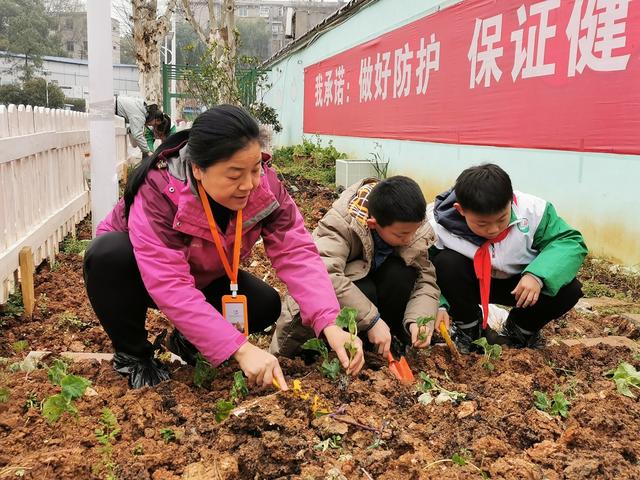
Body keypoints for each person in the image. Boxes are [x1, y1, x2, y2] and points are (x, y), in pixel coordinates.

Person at [84, 105, 364, 389]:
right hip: (139, 276)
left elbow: (296, 251)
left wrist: (329, 321)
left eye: (255, 169)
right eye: (234, 175)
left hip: (206, 274)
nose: (249, 184)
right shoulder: (159, 190)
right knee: (107, 254)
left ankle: (190, 341)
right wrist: (239, 348)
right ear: (197, 169)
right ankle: (134, 356)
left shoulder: (265, 186)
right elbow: (169, 282)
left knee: (264, 305)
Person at [271, 176, 447, 359]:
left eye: (413, 232)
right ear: (373, 224)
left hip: (373, 301)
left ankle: (386, 344)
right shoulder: (342, 223)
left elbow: (425, 279)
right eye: (402, 235)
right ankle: (347, 348)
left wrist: (417, 320)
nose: (409, 239)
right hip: (336, 309)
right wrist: (372, 321)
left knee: (402, 273)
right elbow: (324, 274)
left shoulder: (408, 224)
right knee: (363, 286)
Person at [428, 163, 587, 353]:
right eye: (482, 224)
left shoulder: (534, 212)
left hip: (520, 287)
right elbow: (424, 269)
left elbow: (569, 242)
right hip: (470, 284)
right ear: (461, 210)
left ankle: (519, 330)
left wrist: (537, 275)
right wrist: (441, 306)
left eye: (502, 218)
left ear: (510, 200)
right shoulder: (438, 225)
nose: (494, 229)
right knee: (447, 263)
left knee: (568, 289)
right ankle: (469, 329)